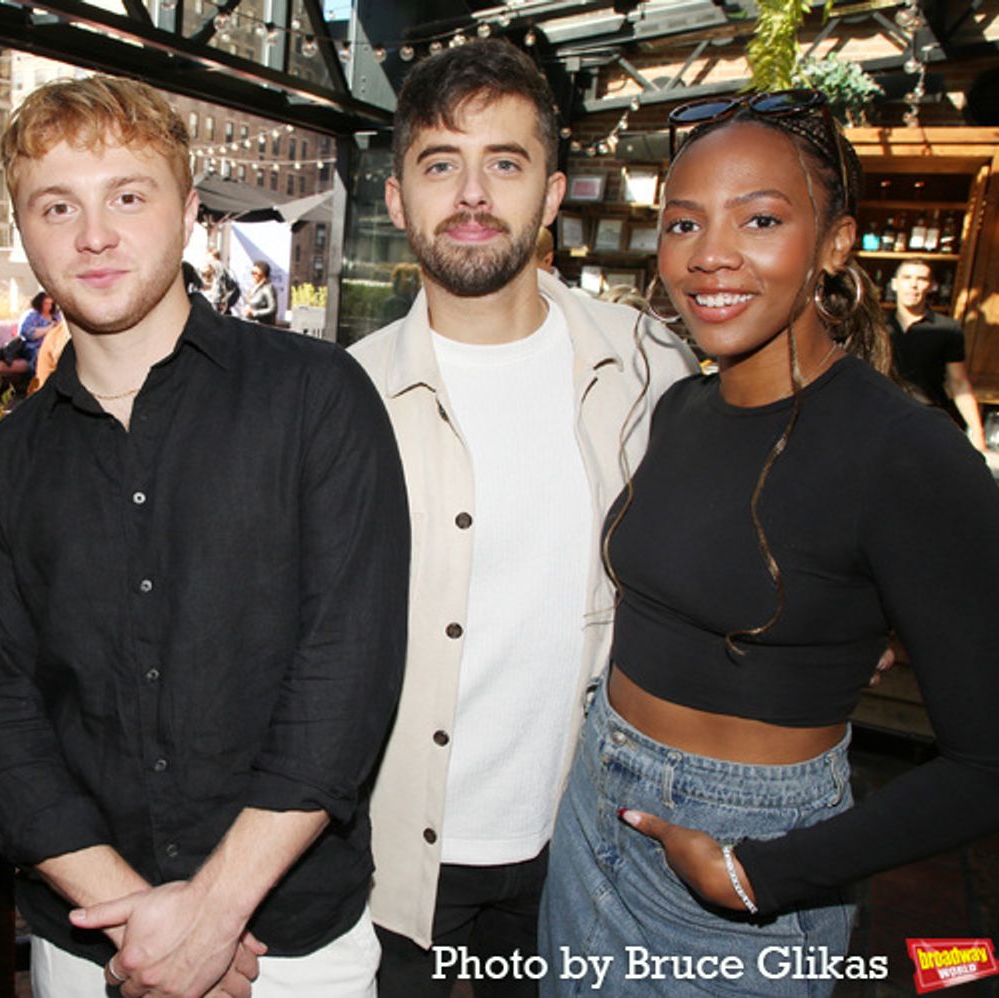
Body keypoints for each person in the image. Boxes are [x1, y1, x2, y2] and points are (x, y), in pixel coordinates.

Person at [0, 75, 409, 998]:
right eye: (57, 206)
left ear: (189, 211)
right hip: (93, 944)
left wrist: (211, 915)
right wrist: (149, 930)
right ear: (24, 231)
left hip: (289, 953)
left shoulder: (317, 399)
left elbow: (345, 680)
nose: (95, 234)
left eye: (129, 195)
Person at [538, 89, 999, 995]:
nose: (710, 255)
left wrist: (763, 873)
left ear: (835, 243)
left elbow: (991, 763)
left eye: (760, 219)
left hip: (740, 859)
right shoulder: (678, 406)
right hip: (598, 798)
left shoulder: (905, 454)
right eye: (683, 223)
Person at [349, 40, 698, 998]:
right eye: (440, 164)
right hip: (386, 858)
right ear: (396, 198)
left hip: (584, 843)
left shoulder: (648, 365)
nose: (471, 194)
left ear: (551, 194)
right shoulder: (342, 398)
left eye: (504, 163)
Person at [888, 258, 987, 451]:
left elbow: (959, 382)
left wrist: (977, 432)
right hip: (879, 417)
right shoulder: (876, 326)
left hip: (925, 420)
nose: (913, 285)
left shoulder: (948, 329)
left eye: (921, 279)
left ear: (931, 286)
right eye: (907, 277)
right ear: (894, 283)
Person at [244, 259, 279, 324]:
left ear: (263, 274)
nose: (252, 275)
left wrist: (254, 313)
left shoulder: (268, 288)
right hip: (250, 324)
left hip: (262, 327)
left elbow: (273, 309)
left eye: (255, 273)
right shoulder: (254, 288)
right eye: (252, 273)